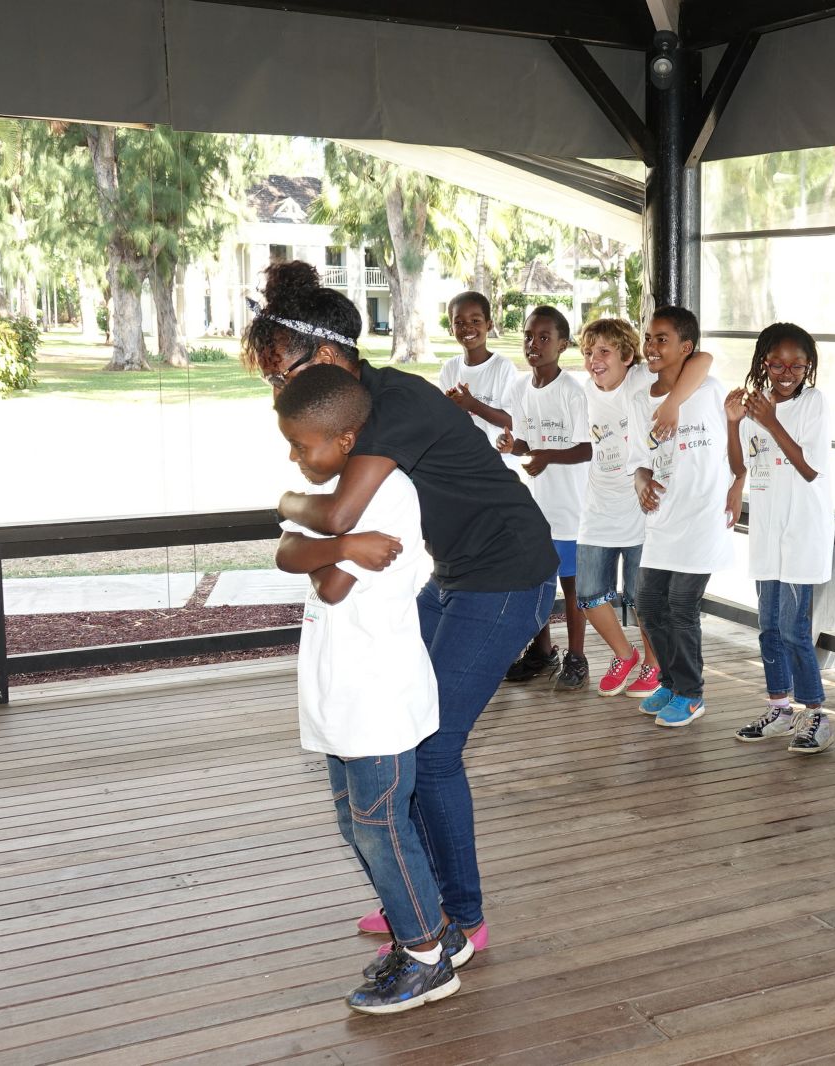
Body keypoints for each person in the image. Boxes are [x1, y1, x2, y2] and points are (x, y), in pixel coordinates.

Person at [244, 261, 556, 951]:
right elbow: (333, 541)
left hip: (508, 574)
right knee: (405, 733)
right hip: (452, 573)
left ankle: (461, 919)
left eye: (278, 372)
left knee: (435, 748)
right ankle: (416, 898)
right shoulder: (361, 404)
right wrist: (313, 522)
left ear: (325, 356)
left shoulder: (391, 409)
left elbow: (335, 516)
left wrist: (286, 504)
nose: (276, 388)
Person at [272, 364, 470, 1014]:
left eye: (304, 446)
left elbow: (325, 581)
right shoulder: (345, 503)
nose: (296, 458)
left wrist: (323, 539)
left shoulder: (388, 496)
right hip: (340, 693)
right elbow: (285, 552)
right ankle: (422, 930)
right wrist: (338, 536)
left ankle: (425, 958)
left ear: (347, 440)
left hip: (377, 696)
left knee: (380, 823)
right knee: (356, 824)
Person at [577, 316, 714, 698]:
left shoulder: (640, 381)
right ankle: (625, 654)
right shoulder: (584, 391)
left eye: (604, 351)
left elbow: (702, 359)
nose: (594, 360)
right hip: (598, 510)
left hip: (641, 514)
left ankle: (655, 667)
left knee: (642, 599)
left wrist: (672, 403)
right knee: (588, 592)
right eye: (588, 353)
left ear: (626, 357)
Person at [728, 323, 835, 754]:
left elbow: (809, 468)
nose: (786, 371)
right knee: (769, 626)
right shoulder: (755, 405)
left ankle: (816, 715)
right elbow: (740, 467)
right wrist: (732, 419)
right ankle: (780, 708)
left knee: (794, 628)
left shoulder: (814, 403)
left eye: (797, 364)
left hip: (803, 531)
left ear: (808, 367)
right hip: (768, 532)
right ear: (763, 363)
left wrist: (770, 420)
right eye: (777, 363)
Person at [628, 305, 735, 728]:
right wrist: (640, 483)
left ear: (685, 347)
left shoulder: (707, 389)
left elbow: (705, 360)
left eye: (662, 339)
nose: (651, 347)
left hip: (704, 517)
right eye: (649, 338)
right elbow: (640, 459)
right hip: (664, 519)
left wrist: (673, 404)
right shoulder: (640, 400)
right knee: (648, 603)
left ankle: (691, 693)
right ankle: (670, 683)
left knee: (681, 604)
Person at [498, 306, 592, 688]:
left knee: (572, 588)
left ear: (562, 345)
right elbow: (524, 441)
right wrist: (511, 445)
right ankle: (542, 652)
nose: (533, 345)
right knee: (538, 584)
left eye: (543, 338)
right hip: (535, 510)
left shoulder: (572, 391)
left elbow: (586, 449)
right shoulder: (519, 388)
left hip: (569, 509)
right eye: (528, 336)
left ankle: (577, 657)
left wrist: (547, 455)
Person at [440, 290, 519, 448]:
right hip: (464, 457)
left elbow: (514, 422)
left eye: (475, 321)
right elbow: (443, 421)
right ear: (451, 328)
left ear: (489, 325)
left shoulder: (503, 368)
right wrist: (451, 406)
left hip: (499, 462)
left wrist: (472, 404)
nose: (467, 328)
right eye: (459, 322)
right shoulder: (449, 369)